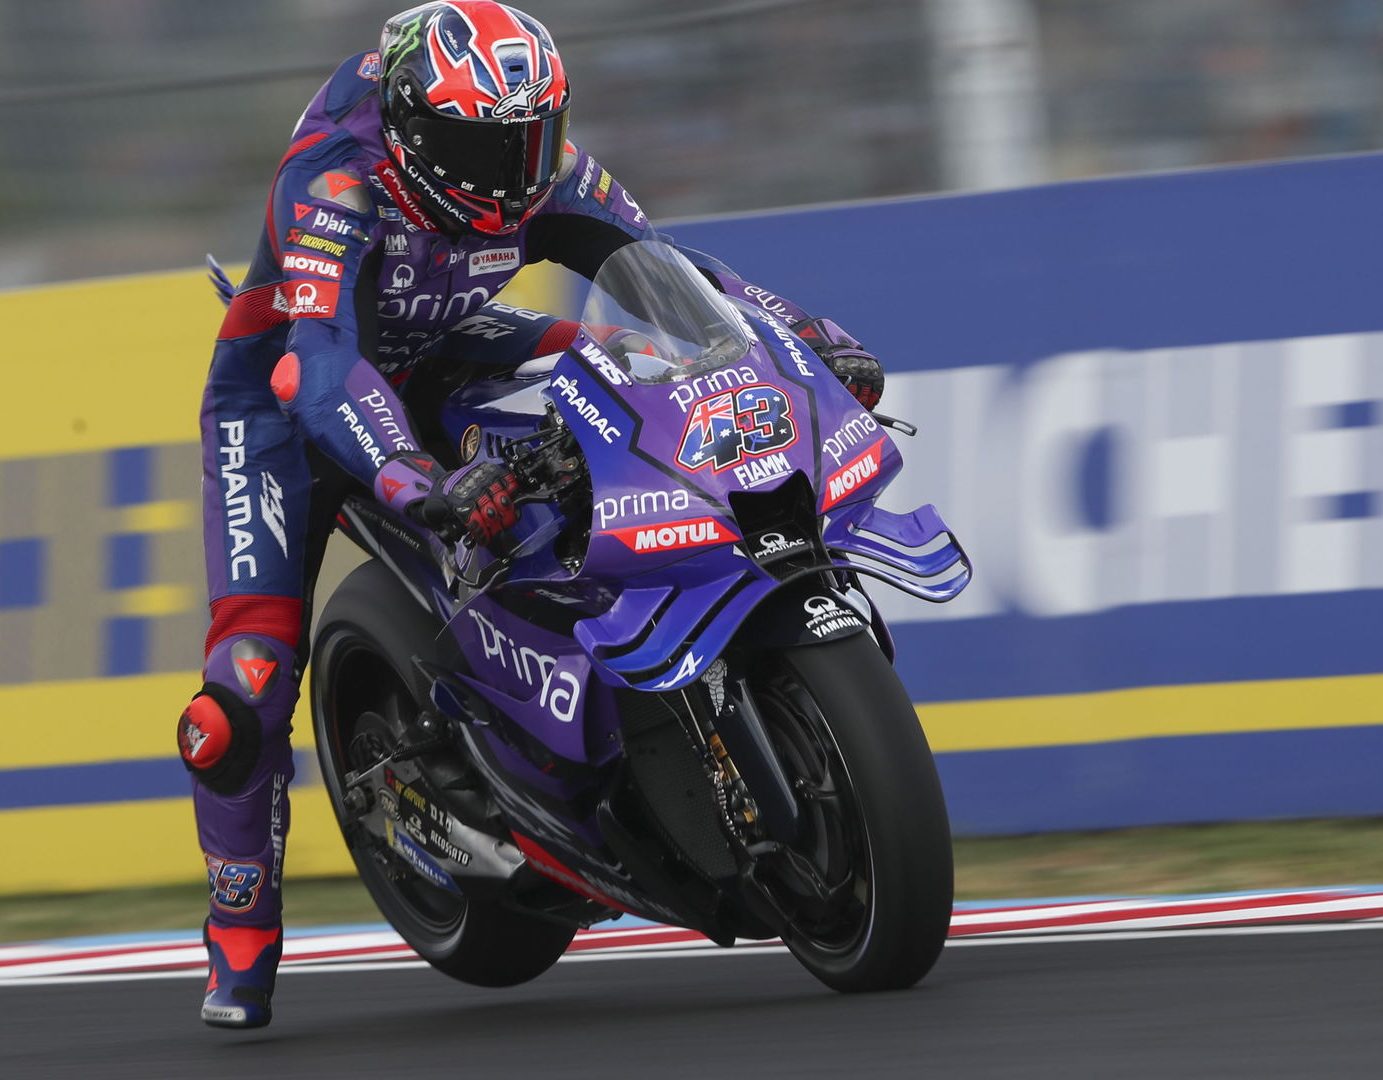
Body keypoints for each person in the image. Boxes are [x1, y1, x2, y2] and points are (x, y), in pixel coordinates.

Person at [177, 0, 886, 1029]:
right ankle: (239, 936)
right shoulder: (332, 181)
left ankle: (588, 729)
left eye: (535, 134)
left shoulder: (539, 164)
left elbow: (666, 272)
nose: (519, 167)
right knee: (237, 699)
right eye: (487, 144)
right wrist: (416, 482)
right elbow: (323, 367)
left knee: (618, 400)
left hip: (452, 345)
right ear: (416, 134)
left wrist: (803, 337)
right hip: (288, 400)